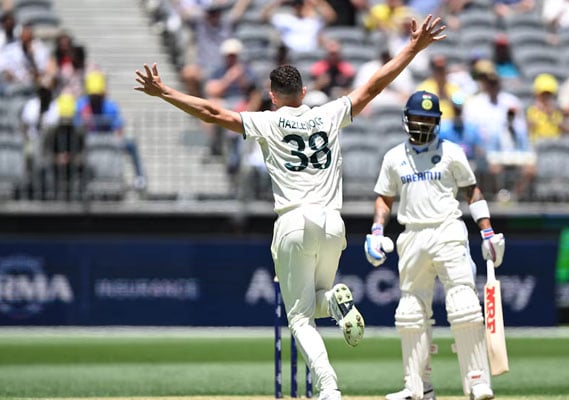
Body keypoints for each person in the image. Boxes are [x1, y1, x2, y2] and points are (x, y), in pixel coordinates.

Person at [135, 14, 446, 400]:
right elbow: (374, 85)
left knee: (298, 316)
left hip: (293, 221)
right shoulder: (328, 114)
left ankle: (329, 387)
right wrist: (413, 48)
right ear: (302, 92)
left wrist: (165, 91)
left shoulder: (266, 122)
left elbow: (214, 113)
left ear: (272, 94)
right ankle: (333, 300)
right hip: (333, 222)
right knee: (315, 302)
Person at [365, 90, 505, 400]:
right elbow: (384, 199)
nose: (422, 124)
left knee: (464, 306)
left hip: (448, 231)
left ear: (438, 122)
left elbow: (472, 192)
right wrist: (376, 230)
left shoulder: (453, 152)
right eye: (418, 118)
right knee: (410, 312)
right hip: (411, 234)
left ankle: (477, 381)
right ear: (406, 119)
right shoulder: (393, 157)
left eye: (428, 119)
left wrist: (487, 232)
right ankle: (417, 388)